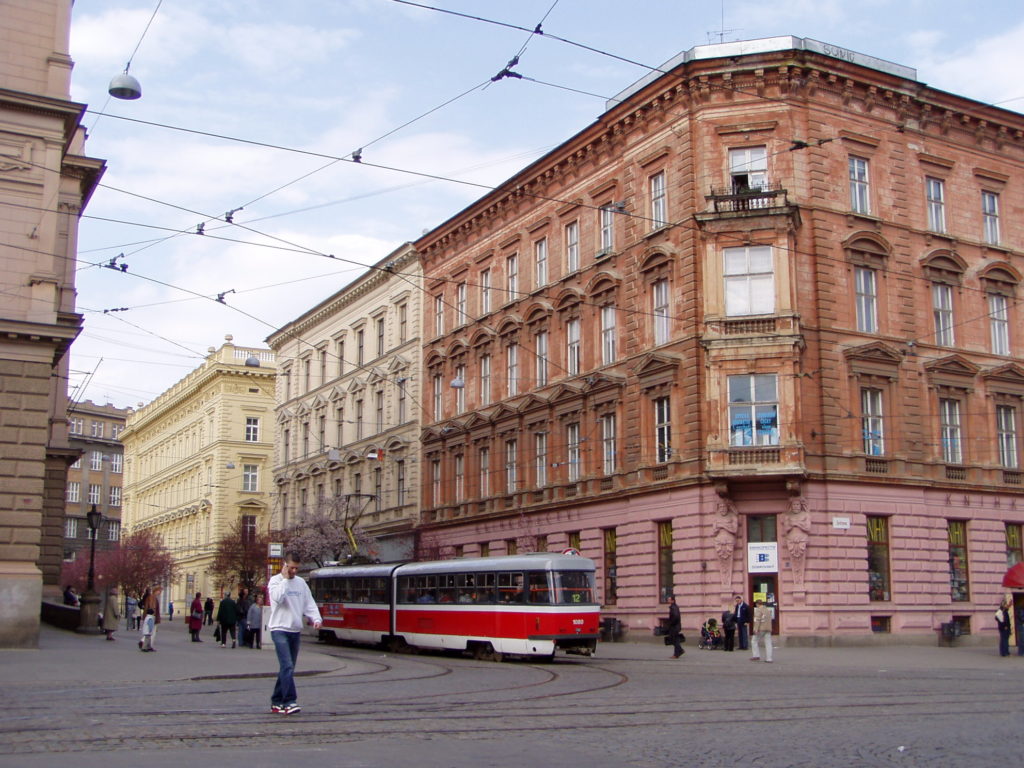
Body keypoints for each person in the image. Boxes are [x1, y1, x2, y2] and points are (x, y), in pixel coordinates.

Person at [268, 552, 322, 714]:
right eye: (291, 568)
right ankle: (289, 701)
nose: (294, 571)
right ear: (285, 565)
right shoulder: (275, 581)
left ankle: (276, 700)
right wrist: (284, 580)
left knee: (288, 668)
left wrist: (316, 618)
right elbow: (277, 598)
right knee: (287, 666)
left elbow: (308, 602)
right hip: (279, 628)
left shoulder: (301, 584)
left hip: (295, 630)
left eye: (296, 568)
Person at [750, 599, 773, 663]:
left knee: (754, 641)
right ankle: (769, 658)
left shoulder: (758, 610)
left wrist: (755, 629)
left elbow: (757, 620)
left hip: (761, 628)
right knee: (768, 643)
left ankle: (756, 655)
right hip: (768, 628)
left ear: (757, 604)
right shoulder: (767, 610)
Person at [666, 594, 684, 659]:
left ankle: (677, 653)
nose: (668, 600)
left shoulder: (673, 607)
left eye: (669, 599)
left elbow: (675, 617)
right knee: (675, 640)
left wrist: (671, 623)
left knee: (674, 640)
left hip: (674, 626)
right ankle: (679, 651)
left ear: (673, 600)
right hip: (676, 626)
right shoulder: (674, 607)